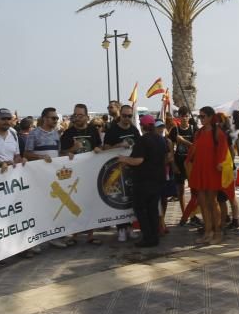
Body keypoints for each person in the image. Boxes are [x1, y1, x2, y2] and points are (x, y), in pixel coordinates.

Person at [116, 114, 169, 248]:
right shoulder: (161, 140)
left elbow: (138, 160)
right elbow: (166, 157)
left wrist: (123, 159)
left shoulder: (143, 140)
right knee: (152, 209)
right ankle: (154, 237)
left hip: (144, 181)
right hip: (158, 180)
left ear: (143, 126)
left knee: (141, 210)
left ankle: (147, 237)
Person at [25, 108, 74, 248]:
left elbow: (58, 154)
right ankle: (37, 239)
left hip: (54, 178)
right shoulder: (34, 133)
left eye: (56, 119)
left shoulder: (56, 134)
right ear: (44, 118)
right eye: (53, 118)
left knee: (54, 207)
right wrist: (40, 157)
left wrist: (69, 153)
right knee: (39, 208)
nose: (55, 121)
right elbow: (27, 153)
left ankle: (54, 236)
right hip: (38, 178)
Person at [60, 104, 104, 245]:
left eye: (80, 115)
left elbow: (99, 145)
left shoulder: (92, 130)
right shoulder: (68, 133)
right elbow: (61, 153)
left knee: (90, 203)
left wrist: (98, 148)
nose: (77, 118)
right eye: (75, 115)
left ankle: (91, 235)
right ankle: (74, 235)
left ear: (86, 116)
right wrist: (73, 149)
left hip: (91, 172)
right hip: (74, 175)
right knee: (74, 204)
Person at [187, 106, 230, 244]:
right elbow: (194, 149)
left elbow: (223, 149)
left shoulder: (217, 133)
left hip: (212, 171)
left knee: (213, 202)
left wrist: (219, 163)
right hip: (200, 170)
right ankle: (207, 231)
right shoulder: (199, 133)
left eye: (203, 116)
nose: (201, 119)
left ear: (211, 117)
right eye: (199, 116)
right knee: (203, 202)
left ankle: (217, 232)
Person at [103, 104, 142, 242]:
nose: (127, 118)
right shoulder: (112, 130)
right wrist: (118, 146)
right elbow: (105, 148)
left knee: (131, 198)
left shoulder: (134, 129)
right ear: (120, 115)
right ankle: (121, 228)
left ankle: (130, 227)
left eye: (129, 116)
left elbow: (140, 146)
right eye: (124, 115)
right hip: (116, 170)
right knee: (119, 199)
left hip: (132, 169)